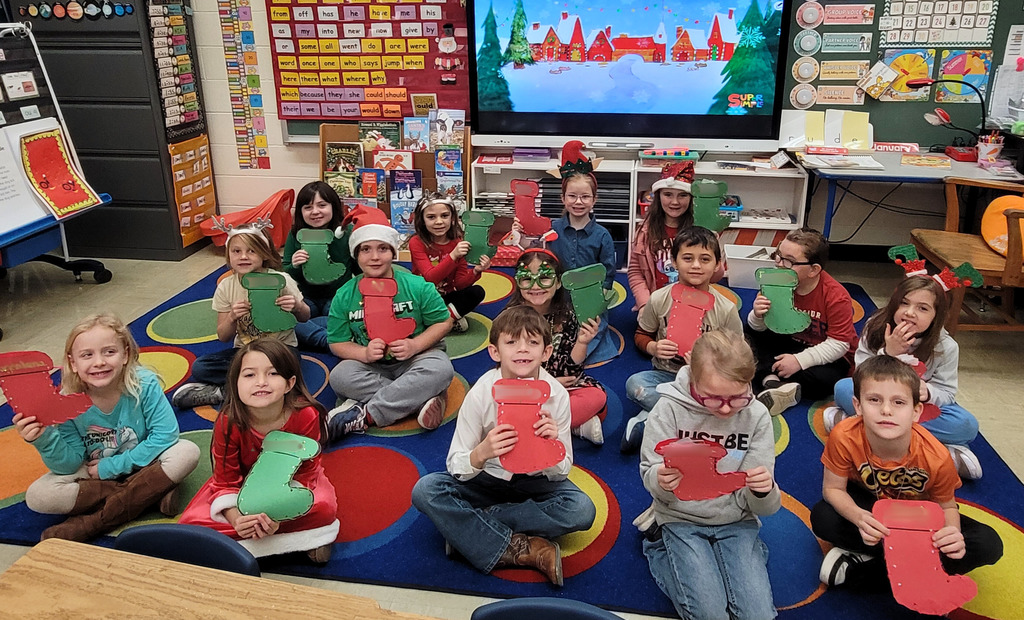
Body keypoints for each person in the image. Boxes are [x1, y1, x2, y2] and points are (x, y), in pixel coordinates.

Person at [410, 306, 596, 585]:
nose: (522, 349)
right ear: (495, 352)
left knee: (581, 509)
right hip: (487, 480)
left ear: (546, 352)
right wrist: (481, 453)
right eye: (511, 342)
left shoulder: (556, 396)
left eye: (532, 342)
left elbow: (562, 471)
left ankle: (471, 528)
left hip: (535, 481)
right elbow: (456, 464)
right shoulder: (481, 393)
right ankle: (524, 547)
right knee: (425, 490)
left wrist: (552, 447)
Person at [810, 356, 1002, 590]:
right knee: (823, 517)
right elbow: (832, 489)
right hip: (871, 507)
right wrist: (859, 517)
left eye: (899, 402)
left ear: (916, 411)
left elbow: (947, 507)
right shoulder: (844, 436)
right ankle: (917, 570)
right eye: (874, 400)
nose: (886, 410)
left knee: (988, 544)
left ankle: (862, 570)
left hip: (918, 519)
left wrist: (951, 534)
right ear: (858, 406)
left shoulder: (937, 456)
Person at [15, 313, 200, 541]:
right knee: (38, 495)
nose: (99, 362)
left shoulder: (144, 384)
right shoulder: (66, 401)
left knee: (187, 452)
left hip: (144, 462)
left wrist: (110, 467)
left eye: (109, 352)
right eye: (87, 355)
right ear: (73, 363)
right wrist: (44, 439)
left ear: (126, 355)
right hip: (97, 474)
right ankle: (149, 494)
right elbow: (70, 464)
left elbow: (165, 435)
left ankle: (94, 522)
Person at [639, 330, 780, 620]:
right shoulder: (668, 409)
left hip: (737, 520)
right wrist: (660, 480)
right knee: (709, 614)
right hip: (680, 517)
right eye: (714, 399)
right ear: (693, 379)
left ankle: (741, 555)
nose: (726, 409)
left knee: (758, 616)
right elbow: (649, 472)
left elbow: (763, 506)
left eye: (737, 398)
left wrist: (764, 491)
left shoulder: (756, 416)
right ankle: (659, 546)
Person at [179, 339, 339, 562]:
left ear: (289, 383)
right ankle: (302, 541)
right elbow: (225, 481)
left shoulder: (305, 416)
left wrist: (278, 514)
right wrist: (237, 519)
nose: (261, 382)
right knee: (192, 523)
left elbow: (305, 474)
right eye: (249, 375)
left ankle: (281, 540)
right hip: (240, 487)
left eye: (273, 373)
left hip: (290, 488)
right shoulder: (229, 422)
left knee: (324, 507)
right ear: (235, 383)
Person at [823, 276, 983, 479]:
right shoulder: (876, 326)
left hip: (917, 408)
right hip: (878, 400)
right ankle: (933, 448)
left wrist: (928, 392)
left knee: (966, 425)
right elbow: (861, 376)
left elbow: (947, 393)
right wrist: (888, 353)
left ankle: (857, 426)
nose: (909, 312)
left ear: (937, 315)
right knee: (843, 388)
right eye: (904, 303)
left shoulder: (946, 346)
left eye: (922, 308)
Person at [325, 205, 455, 439]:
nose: (374, 257)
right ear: (356, 255)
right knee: (340, 376)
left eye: (383, 248)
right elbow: (337, 342)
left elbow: (443, 322)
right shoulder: (344, 295)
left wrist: (415, 345)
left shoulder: (417, 286)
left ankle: (366, 415)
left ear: (393, 252)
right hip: (372, 367)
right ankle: (420, 399)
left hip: (418, 358)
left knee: (441, 369)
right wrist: (364, 353)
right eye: (366, 249)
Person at [622, 227, 742, 453]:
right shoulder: (659, 299)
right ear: (674, 262)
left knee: (738, 398)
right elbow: (641, 335)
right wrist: (653, 347)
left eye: (705, 259)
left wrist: (708, 363)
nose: (696, 265)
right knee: (635, 385)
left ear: (717, 264)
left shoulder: (725, 309)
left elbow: (738, 356)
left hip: (708, 383)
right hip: (666, 376)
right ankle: (698, 419)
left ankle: (653, 420)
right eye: (687, 258)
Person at [172, 221, 309, 408]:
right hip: (245, 351)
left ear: (264, 253)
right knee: (201, 367)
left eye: (252, 251)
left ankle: (226, 391)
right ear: (228, 255)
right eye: (236, 251)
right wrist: (231, 317)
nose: (243, 256)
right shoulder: (226, 286)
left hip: (280, 349)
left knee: (289, 367)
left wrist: (297, 306)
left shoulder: (281, 280)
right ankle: (252, 386)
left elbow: (305, 316)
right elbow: (223, 336)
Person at [745, 228, 857, 416]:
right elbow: (759, 328)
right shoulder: (775, 280)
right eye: (778, 256)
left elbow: (839, 344)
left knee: (826, 380)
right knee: (747, 336)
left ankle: (768, 378)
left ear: (814, 270)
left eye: (789, 261)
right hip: (788, 340)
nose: (780, 264)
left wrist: (799, 361)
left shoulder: (836, 297)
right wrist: (758, 315)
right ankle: (773, 383)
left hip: (826, 352)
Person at [506, 248, 608, 445]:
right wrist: (547, 385)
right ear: (518, 282)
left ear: (559, 282)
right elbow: (508, 370)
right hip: (524, 388)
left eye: (545, 278)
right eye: (527, 279)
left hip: (562, 386)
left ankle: (537, 426)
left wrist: (582, 342)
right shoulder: (509, 320)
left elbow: (572, 371)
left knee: (597, 396)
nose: (536, 286)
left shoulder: (568, 315)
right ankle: (570, 425)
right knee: (498, 400)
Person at [282, 181, 355, 351]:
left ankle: (317, 333)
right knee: (287, 320)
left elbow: (359, 271)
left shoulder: (347, 233)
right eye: (308, 207)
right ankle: (332, 341)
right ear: (300, 211)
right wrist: (294, 265)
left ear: (333, 206)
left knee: (348, 316)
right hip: (305, 299)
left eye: (322, 205)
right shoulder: (295, 234)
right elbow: (285, 273)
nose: (315, 211)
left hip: (337, 298)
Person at [408, 192, 490, 333]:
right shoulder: (417, 242)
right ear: (422, 220)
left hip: (446, 296)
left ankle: (444, 320)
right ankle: (445, 320)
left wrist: (476, 271)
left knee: (476, 292)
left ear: (452, 218)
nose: (439, 222)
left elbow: (459, 284)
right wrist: (453, 256)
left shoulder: (457, 243)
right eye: (431, 217)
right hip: (422, 297)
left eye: (445, 216)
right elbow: (430, 278)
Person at [628, 160, 696, 312]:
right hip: (655, 304)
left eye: (683, 195)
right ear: (658, 196)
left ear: (691, 198)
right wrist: (644, 304)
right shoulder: (645, 231)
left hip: (690, 304)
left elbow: (714, 276)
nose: (675, 202)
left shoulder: (699, 231)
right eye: (668, 194)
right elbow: (635, 271)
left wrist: (714, 249)